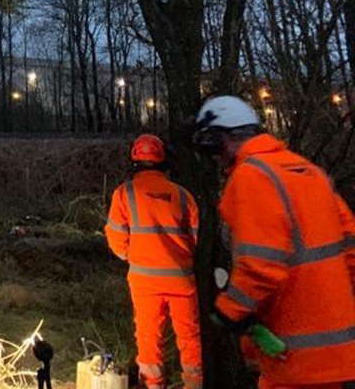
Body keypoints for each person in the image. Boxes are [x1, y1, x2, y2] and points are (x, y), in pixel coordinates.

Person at [195, 96, 355, 389]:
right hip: (337, 351)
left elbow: (262, 263)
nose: (216, 158)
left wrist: (230, 311)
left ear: (222, 139)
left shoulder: (251, 177)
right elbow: (350, 249)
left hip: (292, 352)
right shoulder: (308, 171)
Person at [105, 134, 202, 389]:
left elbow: (115, 237)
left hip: (144, 280)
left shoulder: (124, 193)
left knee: (148, 339)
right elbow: (197, 239)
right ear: (163, 160)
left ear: (135, 160)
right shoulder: (183, 195)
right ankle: (195, 384)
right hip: (181, 278)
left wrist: (134, 256)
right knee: (190, 338)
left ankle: (153, 385)